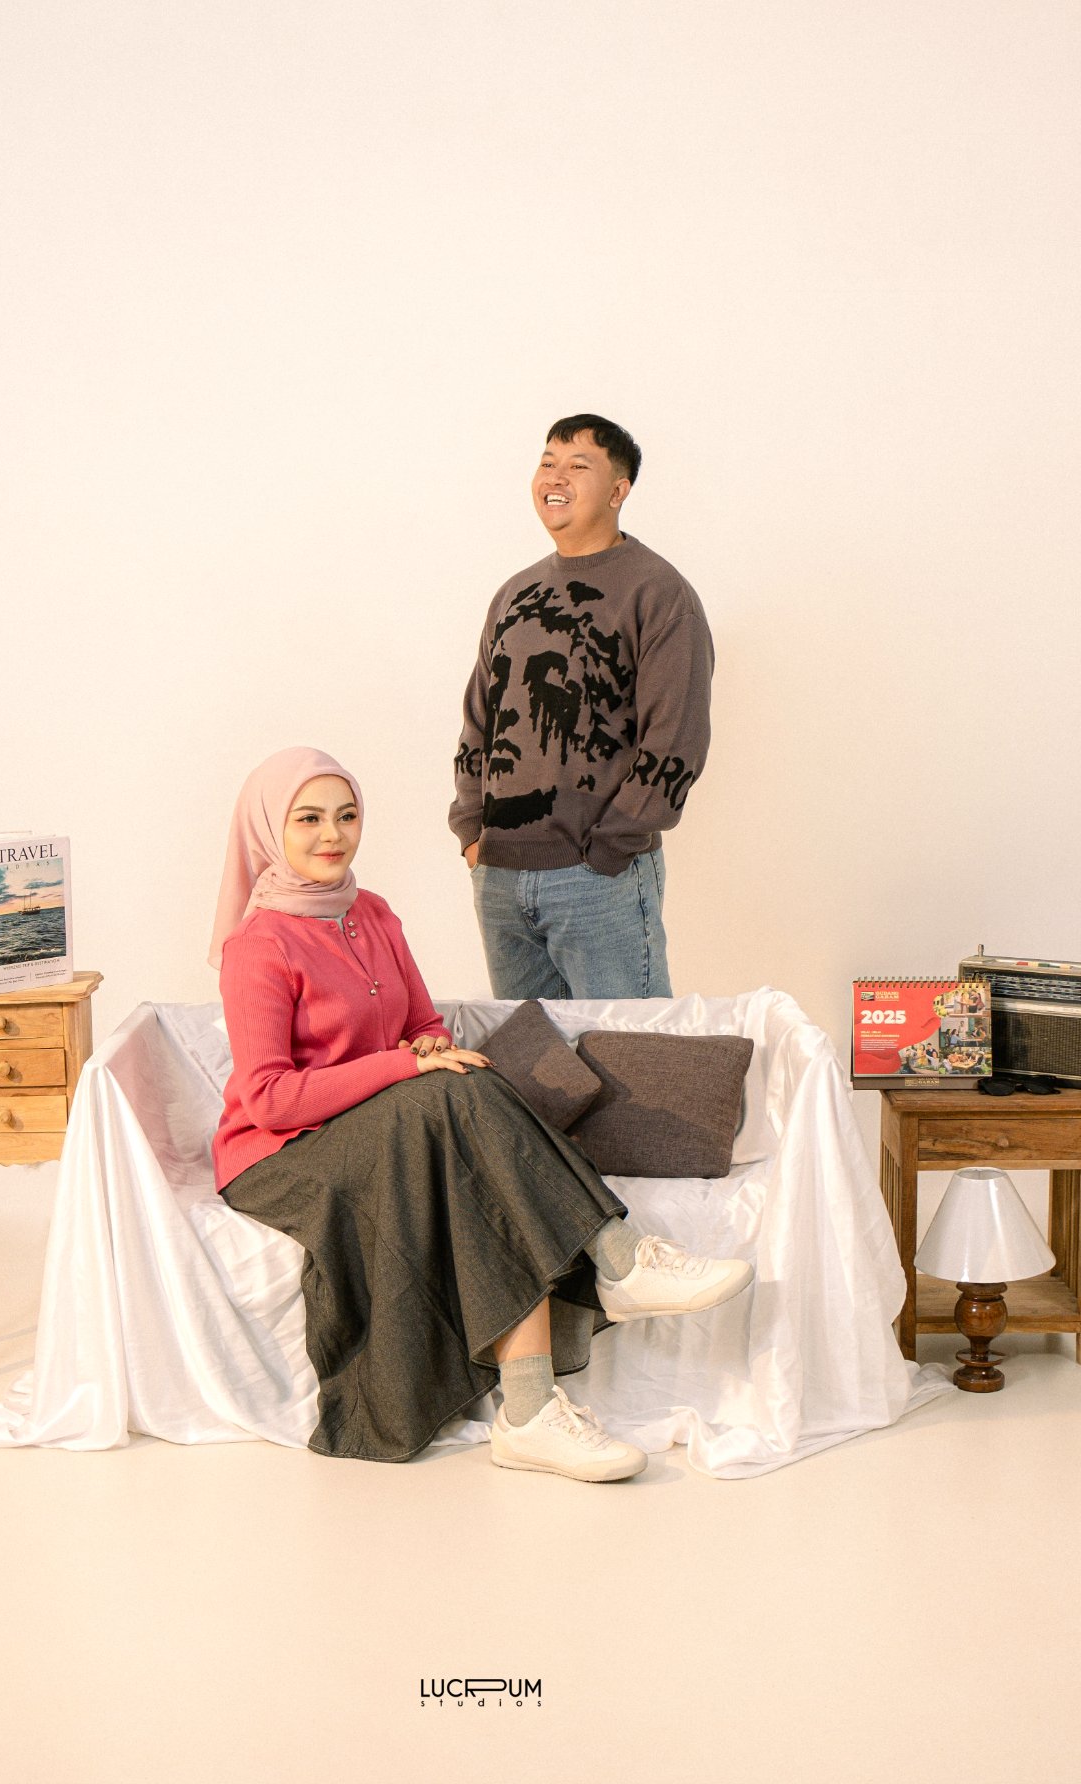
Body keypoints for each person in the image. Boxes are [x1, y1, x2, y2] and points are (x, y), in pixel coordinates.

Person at [209, 748, 752, 1482]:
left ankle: (531, 1412)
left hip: (388, 1121)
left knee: (465, 1117)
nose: (332, 835)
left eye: (347, 815)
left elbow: (423, 1023)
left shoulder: (373, 914)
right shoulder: (258, 944)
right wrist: (407, 1065)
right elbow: (270, 1097)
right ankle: (615, 1260)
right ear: (269, 829)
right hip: (282, 1155)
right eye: (308, 819)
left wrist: (426, 1047)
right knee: (448, 1093)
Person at [449, 413, 715, 1001]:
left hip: (598, 879)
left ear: (619, 491)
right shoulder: (514, 593)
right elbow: (478, 722)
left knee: (628, 1049)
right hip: (499, 875)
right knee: (529, 1054)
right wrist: (473, 831)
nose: (555, 476)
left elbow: (677, 738)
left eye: (578, 465)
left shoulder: (659, 593)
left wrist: (609, 849)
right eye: (547, 462)